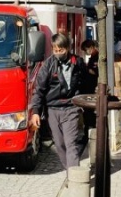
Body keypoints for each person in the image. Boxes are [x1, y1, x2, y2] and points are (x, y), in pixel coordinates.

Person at [30, 33, 87, 172]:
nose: (58, 53)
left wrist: (84, 103)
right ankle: (69, 170)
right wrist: (36, 112)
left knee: (70, 143)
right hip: (53, 109)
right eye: (55, 50)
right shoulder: (48, 65)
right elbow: (40, 90)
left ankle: (74, 177)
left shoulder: (78, 63)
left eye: (61, 50)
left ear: (67, 48)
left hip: (71, 108)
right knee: (60, 144)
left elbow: (86, 84)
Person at [80, 39, 99, 138]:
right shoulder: (93, 57)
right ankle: (87, 132)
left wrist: (86, 69)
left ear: (90, 47)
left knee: (89, 112)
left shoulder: (97, 57)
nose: (86, 52)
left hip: (92, 87)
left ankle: (89, 133)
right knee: (87, 112)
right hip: (89, 87)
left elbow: (96, 72)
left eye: (86, 50)